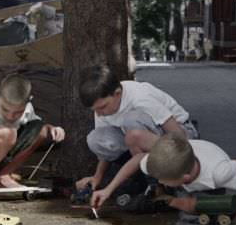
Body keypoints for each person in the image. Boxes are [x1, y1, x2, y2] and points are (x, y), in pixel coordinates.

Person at [75, 65, 198, 197]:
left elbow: (177, 134)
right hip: (138, 140)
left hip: (178, 134)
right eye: (95, 110)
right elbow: (105, 152)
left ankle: (158, 179)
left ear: (117, 93)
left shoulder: (140, 97)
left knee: (132, 122)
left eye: (102, 107)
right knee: (96, 139)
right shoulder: (103, 109)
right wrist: (97, 177)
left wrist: (185, 165)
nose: (99, 114)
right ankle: (143, 176)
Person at [91, 132, 236, 221]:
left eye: (163, 180)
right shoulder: (169, 165)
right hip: (185, 156)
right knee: (160, 188)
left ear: (185, 178)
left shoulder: (219, 174)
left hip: (209, 179)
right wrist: (108, 190)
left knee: (208, 206)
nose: (159, 180)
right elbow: (137, 159)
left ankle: (173, 198)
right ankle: (163, 194)